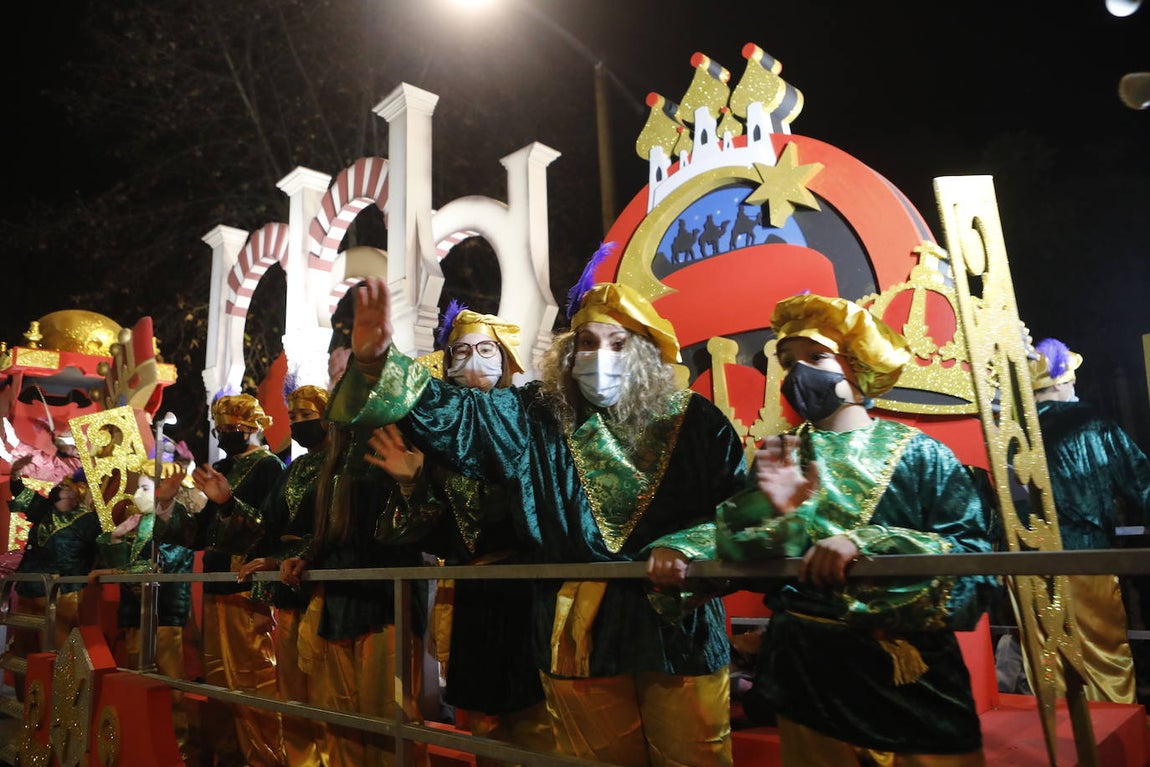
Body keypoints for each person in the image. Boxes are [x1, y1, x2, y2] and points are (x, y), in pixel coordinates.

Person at [329, 260, 748, 767]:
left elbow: (739, 510)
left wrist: (688, 549)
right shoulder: (538, 416)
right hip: (577, 630)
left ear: (645, 353)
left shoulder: (696, 419)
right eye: (587, 343)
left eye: (617, 343)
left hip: (678, 623)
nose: (600, 356)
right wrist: (378, 361)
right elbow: (459, 413)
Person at [715, 293, 997, 766]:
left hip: (905, 672)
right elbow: (740, 556)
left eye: (818, 357)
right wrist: (780, 517)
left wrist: (866, 545)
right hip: (810, 676)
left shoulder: (920, 455)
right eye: (788, 362)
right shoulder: (779, 456)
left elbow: (972, 564)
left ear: (857, 364)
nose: (801, 373)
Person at [367, 301, 555, 767]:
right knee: (482, 723)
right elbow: (413, 533)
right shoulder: (440, 444)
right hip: (472, 593)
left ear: (508, 357)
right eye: (462, 351)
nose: (473, 359)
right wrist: (413, 482)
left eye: (486, 348)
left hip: (532, 589)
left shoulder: (533, 413)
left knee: (539, 718)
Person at [279, 395, 431, 767]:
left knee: (388, 715)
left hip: (384, 602)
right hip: (337, 600)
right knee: (339, 716)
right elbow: (329, 530)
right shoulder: (332, 465)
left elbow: (418, 527)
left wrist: (412, 485)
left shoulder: (396, 446)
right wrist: (305, 556)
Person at [1019, 337, 1150, 703]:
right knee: (1105, 655)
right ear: (1058, 381)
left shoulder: (1012, 434)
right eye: (1071, 377)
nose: (1075, 384)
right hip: (1086, 561)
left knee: (1051, 662)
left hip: (1024, 565)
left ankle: (1066, 745)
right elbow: (1140, 481)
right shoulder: (1090, 422)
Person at [158, 393, 286, 767]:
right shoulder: (221, 467)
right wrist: (167, 505)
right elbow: (198, 534)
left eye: (233, 427)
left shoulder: (269, 467)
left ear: (253, 427)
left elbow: (269, 530)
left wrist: (229, 503)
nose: (225, 432)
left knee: (252, 678)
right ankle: (228, 755)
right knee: (217, 679)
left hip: (248, 587)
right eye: (221, 427)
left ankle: (264, 757)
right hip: (215, 584)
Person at [238, 384, 332, 767]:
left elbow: (332, 527)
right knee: (291, 692)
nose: (297, 424)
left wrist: (288, 556)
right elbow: (269, 523)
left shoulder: (338, 465)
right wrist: (265, 556)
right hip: (289, 588)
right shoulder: (294, 469)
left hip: (324, 586)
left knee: (324, 690)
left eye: (306, 416)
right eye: (293, 418)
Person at [6, 470, 100, 696]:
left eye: (66, 486)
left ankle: (60, 706)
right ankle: (27, 704)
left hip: (62, 593)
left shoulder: (87, 520)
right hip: (30, 588)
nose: (59, 487)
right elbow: (21, 491)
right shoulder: (44, 510)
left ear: (77, 493)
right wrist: (16, 476)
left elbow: (98, 549)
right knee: (25, 651)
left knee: (57, 652)